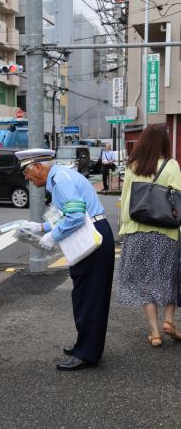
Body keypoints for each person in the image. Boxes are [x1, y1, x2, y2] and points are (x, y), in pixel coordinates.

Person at [15, 148, 115, 371]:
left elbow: (76, 216)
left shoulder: (60, 180)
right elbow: (67, 213)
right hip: (93, 232)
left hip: (92, 235)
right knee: (84, 294)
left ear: (38, 166)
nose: (26, 178)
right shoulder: (60, 177)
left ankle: (87, 353)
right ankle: (85, 345)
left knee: (89, 297)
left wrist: (52, 236)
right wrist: (41, 227)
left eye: (26, 172)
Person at [118, 124, 181, 347]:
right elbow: (178, 201)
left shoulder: (134, 165)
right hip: (167, 233)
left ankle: (155, 333)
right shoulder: (171, 165)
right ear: (165, 143)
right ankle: (169, 321)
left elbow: (126, 200)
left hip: (138, 232)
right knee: (169, 278)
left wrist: (125, 227)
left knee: (145, 283)